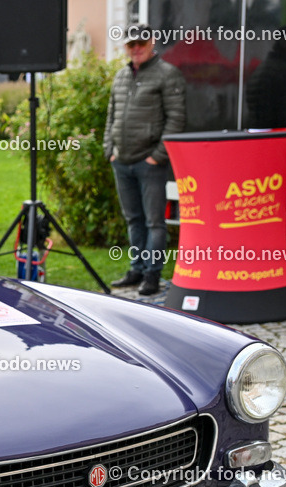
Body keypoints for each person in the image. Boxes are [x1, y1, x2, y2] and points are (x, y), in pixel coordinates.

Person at [103, 23, 186, 296]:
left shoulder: (167, 74)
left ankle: (152, 274)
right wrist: (110, 150)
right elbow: (111, 116)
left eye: (140, 43)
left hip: (149, 162)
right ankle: (136, 268)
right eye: (130, 45)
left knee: (154, 222)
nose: (136, 49)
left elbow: (176, 119)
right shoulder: (121, 76)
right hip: (122, 161)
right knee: (133, 219)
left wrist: (158, 156)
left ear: (151, 42)